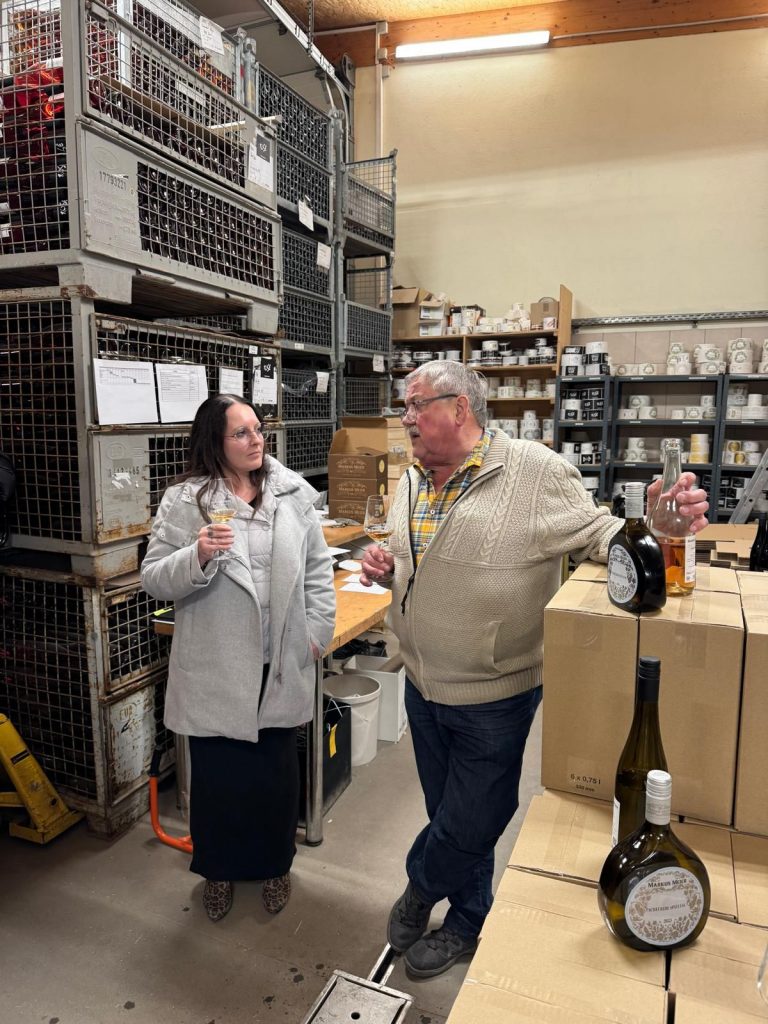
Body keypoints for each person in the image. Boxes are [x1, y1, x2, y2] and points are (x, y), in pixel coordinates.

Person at [361, 360, 709, 978]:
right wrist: (388, 568)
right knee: (449, 816)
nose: (405, 417)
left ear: (459, 408)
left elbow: (603, 535)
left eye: (415, 405)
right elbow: (414, 562)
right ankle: (469, 918)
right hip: (421, 683)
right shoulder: (412, 478)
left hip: (494, 692)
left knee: (472, 820)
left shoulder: (534, 471)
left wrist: (656, 527)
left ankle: (422, 891)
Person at [141, 395, 336, 922]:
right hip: (218, 665)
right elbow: (153, 577)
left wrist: (316, 634)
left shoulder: (291, 493)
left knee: (276, 778)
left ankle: (275, 866)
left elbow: (318, 570)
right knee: (218, 783)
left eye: (258, 429)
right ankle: (219, 872)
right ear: (215, 441)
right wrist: (198, 554)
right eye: (241, 433)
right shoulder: (186, 501)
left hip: (280, 660)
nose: (256, 441)